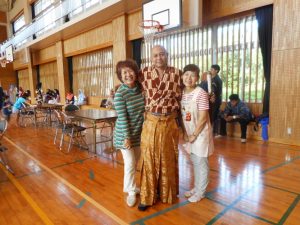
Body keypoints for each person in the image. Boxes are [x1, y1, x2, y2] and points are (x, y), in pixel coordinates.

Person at [138, 45, 182, 211]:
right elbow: (134, 89)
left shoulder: (177, 73)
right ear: (151, 58)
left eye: (162, 54)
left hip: (170, 122)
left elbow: (185, 93)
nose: (159, 58)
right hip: (151, 122)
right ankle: (146, 195)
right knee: (149, 158)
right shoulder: (144, 73)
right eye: (155, 55)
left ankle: (166, 193)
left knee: (168, 158)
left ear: (167, 55)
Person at [113, 59, 145, 207]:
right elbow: (123, 117)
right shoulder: (120, 94)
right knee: (130, 163)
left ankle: (129, 186)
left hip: (138, 133)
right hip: (124, 135)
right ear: (120, 76)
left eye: (130, 71)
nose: (128, 74)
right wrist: (127, 137)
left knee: (135, 161)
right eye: (124, 72)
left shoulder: (140, 88)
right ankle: (131, 191)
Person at [181, 64, 214, 202]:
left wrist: (194, 135)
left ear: (197, 78)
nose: (189, 78)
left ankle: (201, 192)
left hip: (200, 134)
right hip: (189, 133)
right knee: (195, 161)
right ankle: (196, 187)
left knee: (201, 162)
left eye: (192, 75)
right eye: (186, 74)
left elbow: (203, 118)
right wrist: (185, 133)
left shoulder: (201, 93)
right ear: (182, 76)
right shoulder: (182, 92)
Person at [210, 64, 223, 135]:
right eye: (211, 69)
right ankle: (213, 131)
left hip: (216, 100)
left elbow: (215, 91)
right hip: (212, 100)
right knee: (212, 115)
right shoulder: (212, 78)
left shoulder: (217, 80)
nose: (211, 71)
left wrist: (213, 96)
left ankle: (215, 132)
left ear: (216, 71)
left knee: (214, 115)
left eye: (212, 69)